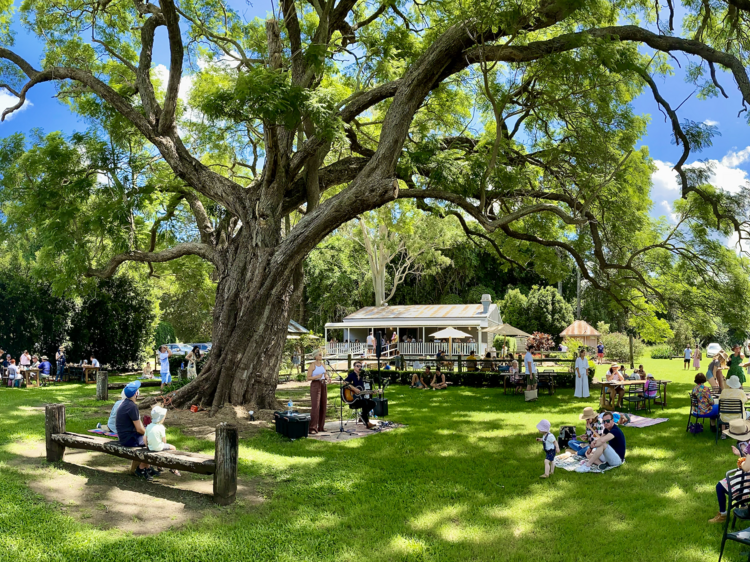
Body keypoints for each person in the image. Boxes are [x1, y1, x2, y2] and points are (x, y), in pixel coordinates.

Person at [710, 423, 750, 523]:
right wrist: (740, 454)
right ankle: (743, 505)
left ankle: (723, 514)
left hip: (747, 480)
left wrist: (743, 462)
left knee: (720, 486)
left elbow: (746, 468)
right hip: (747, 479)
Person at [115, 381, 154, 480]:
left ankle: (146, 467)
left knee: (149, 439)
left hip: (123, 437)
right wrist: (151, 434)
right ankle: (141, 468)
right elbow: (139, 429)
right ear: (136, 393)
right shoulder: (132, 407)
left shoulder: (124, 404)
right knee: (152, 442)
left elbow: (138, 425)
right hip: (129, 439)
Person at [144, 406, 181, 476]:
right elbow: (164, 440)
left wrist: (147, 446)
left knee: (161, 447)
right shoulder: (161, 427)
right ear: (161, 418)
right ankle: (173, 467)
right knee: (173, 448)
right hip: (158, 447)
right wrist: (163, 444)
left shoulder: (148, 426)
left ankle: (159, 466)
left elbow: (144, 438)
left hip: (150, 447)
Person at [344, 362, 376, 429]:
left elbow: (362, 391)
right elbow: (345, 382)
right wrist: (354, 389)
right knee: (364, 402)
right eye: (358, 366)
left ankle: (362, 416)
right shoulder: (351, 375)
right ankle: (367, 423)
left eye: (360, 366)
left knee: (373, 403)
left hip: (360, 398)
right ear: (354, 367)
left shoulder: (361, 377)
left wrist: (371, 392)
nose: (359, 367)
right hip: (353, 399)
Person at [307, 351, 331, 434]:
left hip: (323, 384)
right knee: (315, 406)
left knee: (323, 405)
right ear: (315, 356)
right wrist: (317, 376)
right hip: (315, 384)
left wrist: (327, 378)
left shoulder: (323, 364)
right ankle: (312, 427)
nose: (321, 356)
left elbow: (325, 374)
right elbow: (308, 377)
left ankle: (321, 426)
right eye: (320, 355)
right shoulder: (312, 365)